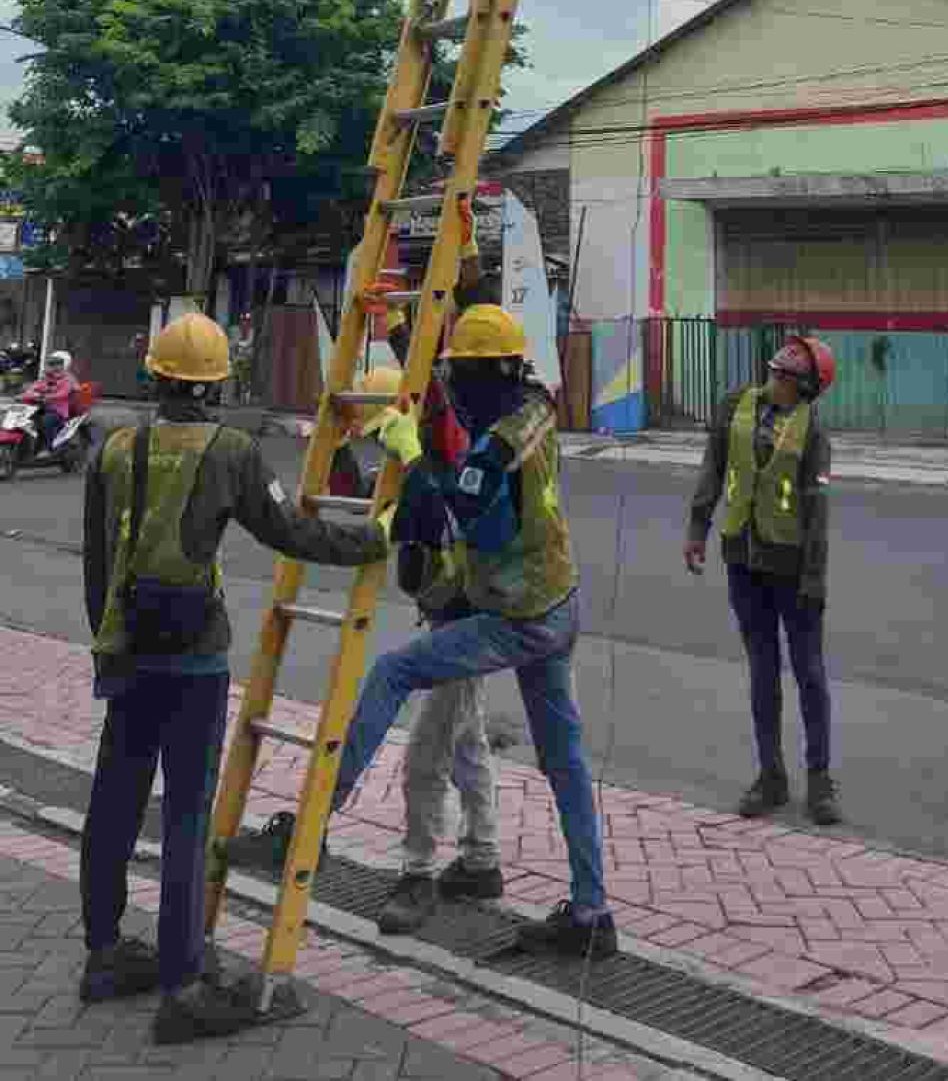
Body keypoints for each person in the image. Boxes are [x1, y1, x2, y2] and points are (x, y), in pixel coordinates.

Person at [237, 301, 615, 958]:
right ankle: (590, 910)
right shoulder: (532, 401)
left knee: (395, 673)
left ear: (490, 372)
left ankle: (313, 827)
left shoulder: (501, 438)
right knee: (561, 759)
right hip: (554, 598)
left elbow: (458, 506)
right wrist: (405, 337)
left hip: (517, 612)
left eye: (463, 373)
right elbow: (457, 409)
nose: (457, 387)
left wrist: (411, 458)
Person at [79, 311, 388, 1044]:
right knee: (187, 817)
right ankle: (183, 983)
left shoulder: (115, 450)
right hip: (195, 660)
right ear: (215, 385)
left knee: (115, 800)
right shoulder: (232, 452)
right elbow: (292, 531)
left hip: (127, 651)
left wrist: (108, 645)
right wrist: (374, 536)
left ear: (155, 377)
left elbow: (97, 563)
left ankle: (103, 953)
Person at [308, 358, 503, 934]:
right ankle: (481, 860)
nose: (382, 455)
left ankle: (418, 873)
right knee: (466, 744)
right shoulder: (409, 469)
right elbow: (368, 505)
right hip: (446, 618)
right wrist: (342, 444)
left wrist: (408, 455)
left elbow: (436, 516)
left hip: (469, 625)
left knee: (426, 757)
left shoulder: (453, 471)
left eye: (384, 441)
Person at [684, 334, 842, 826]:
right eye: (774, 373)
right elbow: (714, 466)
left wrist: (815, 577)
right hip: (743, 562)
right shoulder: (735, 406)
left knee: (809, 673)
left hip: (793, 570)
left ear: (806, 390)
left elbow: (818, 512)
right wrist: (698, 527)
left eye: (786, 378)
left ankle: (820, 781)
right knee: (762, 670)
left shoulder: (813, 432)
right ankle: (770, 775)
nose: (775, 382)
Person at [24, 346, 80, 450]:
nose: (54, 366)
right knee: (25, 421)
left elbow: (63, 393)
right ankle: (28, 447)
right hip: (42, 408)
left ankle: (49, 447)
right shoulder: (46, 378)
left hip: (58, 411)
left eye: (58, 363)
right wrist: (27, 394)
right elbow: (33, 388)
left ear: (65, 364)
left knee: (46, 422)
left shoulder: (68, 379)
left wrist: (45, 396)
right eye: (52, 363)